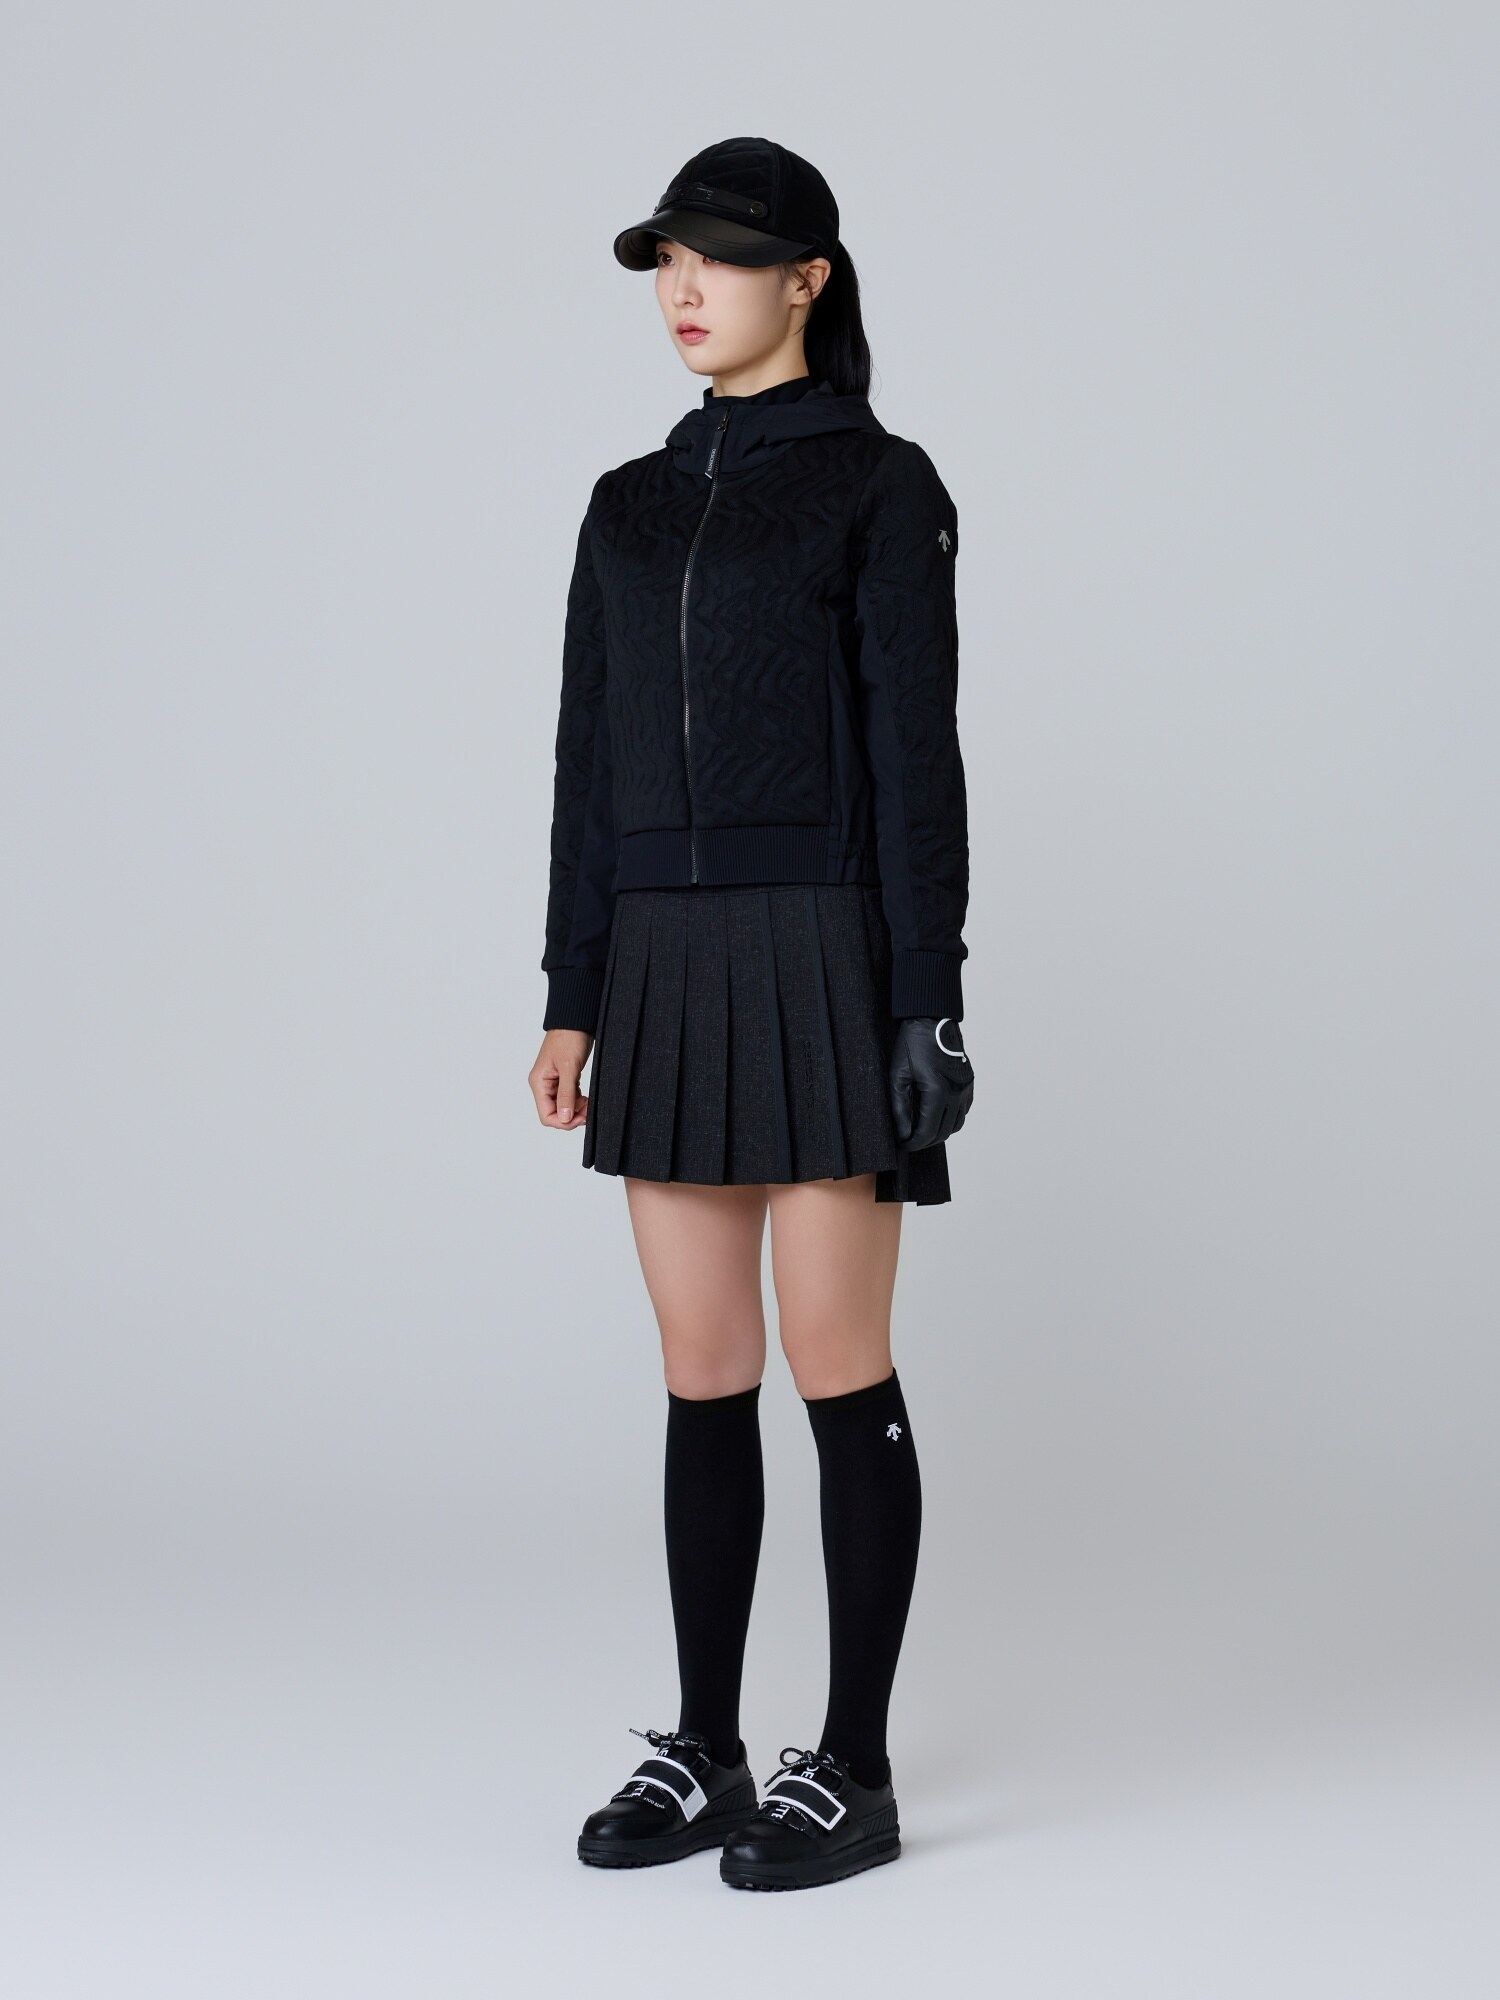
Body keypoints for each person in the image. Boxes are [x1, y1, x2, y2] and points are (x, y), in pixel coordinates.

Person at [528, 135, 975, 1891]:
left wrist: (927, 1000)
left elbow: (917, 761)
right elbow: (587, 766)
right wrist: (572, 991)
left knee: (833, 1360)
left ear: (809, 279)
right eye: (666, 260)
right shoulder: (625, 505)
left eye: (716, 257)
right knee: (700, 1370)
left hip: (823, 949)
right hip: (660, 955)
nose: (685, 288)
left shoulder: (879, 485)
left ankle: (852, 1766)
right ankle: (707, 1746)